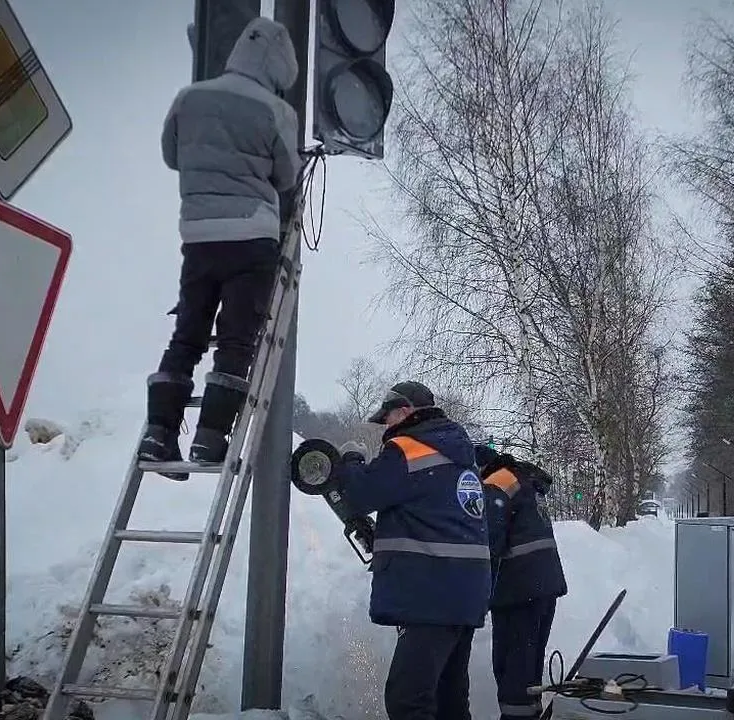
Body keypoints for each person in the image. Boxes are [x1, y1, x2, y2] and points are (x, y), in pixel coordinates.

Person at [139, 16, 302, 479]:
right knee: (235, 340)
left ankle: (158, 434)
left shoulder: (190, 98)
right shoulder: (276, 110)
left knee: (186, 336)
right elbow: (286, 174)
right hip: (252, 237)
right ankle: (210, 438)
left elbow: (172, 154)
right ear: (279, 68)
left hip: (198, 237)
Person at [331, 380, 492, 720]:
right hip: (464, 592)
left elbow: (362, 495)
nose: (385, 427)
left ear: (404, 411)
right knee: (449, 699)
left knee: (408, 701)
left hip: (432, 594)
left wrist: (352, 459)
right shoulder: (459, 455)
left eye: (386, 418)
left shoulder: (409, 449)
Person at [474, 444, 568, 720]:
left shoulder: (495, 483)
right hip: (542, 586)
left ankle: (517, 717)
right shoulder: (521, 480)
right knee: (529, 665)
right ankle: (531, 713)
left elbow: (488, 542)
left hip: (518, 589)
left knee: (512, 666)